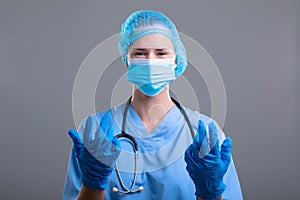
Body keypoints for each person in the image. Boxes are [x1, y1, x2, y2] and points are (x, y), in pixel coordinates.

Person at [63, 10, 243, 200]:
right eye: (140, 53)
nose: (150, 61)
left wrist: (210, 192)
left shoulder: (205, 134)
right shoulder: (95, 132)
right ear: (126, 61)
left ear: (176, 61)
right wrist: (92, 184)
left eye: (161, 53)